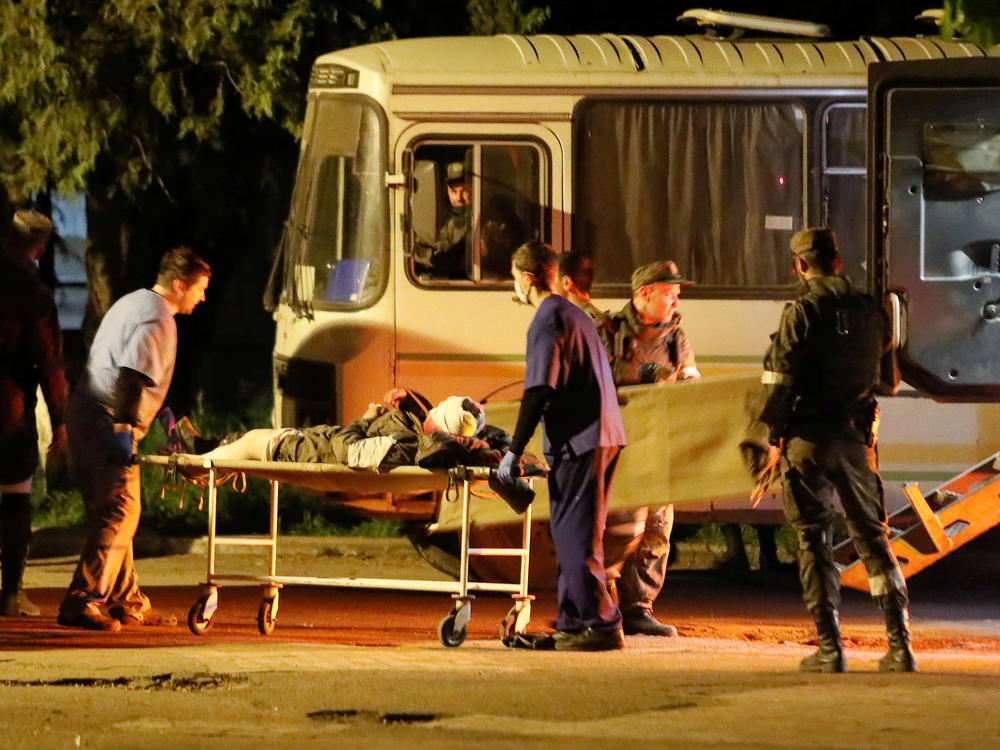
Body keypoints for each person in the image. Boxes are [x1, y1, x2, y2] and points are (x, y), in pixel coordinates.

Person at [758, 227, 915, 673]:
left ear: (800, 266)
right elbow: (889, 381)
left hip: (808, 443)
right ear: (839, 262)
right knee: (874, 542)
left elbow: (780, 385)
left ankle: (830, 649)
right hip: (856, 442)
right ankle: (901, 647)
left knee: (813, 541)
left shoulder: (802, 311)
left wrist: (771, 439)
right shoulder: (872, 309)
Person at [58, 247, 210, 631]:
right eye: (199, 289)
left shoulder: (134, 303)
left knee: (113, 516)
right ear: (179, 286)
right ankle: (84, 600)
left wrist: (167, 419)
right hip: (107, 422)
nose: (202, 297)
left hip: (86, 414)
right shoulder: (160, 320)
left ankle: (129, 601)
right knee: (121, 510)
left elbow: (130, 371)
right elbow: (130, 377)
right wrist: (125, 432)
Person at [497, 240, 627, 651]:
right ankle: (574, 620)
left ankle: (600, 624)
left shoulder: (547, 319)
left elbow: (538, 391)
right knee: (579, 533)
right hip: (601, 435)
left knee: (573, 536)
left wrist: (513, 451)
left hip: (580, 441)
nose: (514, 286)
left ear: (528, 278)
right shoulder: (574, 313)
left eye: (515, 277)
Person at [602, 260, 699, 637]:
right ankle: (597, 602)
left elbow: (692, 383)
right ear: (645, 293)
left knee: (657, 528)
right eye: (669, 293)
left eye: (676, 295)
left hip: (659, 447)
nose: (675, 301)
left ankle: (638, 607)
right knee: (614, 530)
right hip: (617, 448)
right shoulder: (607, 332)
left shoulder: (677, 339)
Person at [0, 210, 67, 617]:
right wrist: (60, 421)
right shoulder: (34, 293)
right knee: (15, 498)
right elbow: (49, 361)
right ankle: (10, 594)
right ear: (40, 249)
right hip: (9, 408)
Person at [413, 161, 471, 279]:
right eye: (453, 191)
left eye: (463, 190)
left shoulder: (486, 219)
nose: (458, 198)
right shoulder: (437, 220)